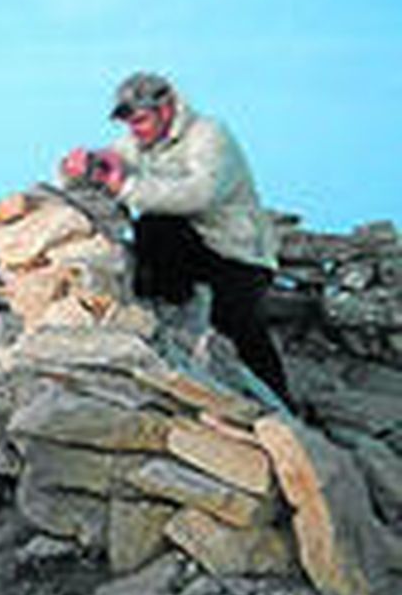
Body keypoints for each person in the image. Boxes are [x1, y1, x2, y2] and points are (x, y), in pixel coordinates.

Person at [60, 71, 290, 403]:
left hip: (238, 252)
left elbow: (198, 194)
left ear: (166, 110)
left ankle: (279, 402)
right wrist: (76, 170)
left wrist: (124, 186)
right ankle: (169, 314)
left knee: (238, 325)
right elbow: (106, 165)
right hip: (194, 247)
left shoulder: (209, 135)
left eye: (140, 120)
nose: (134, 130)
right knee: (153, 229)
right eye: (129, 124)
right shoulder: (138, 142)